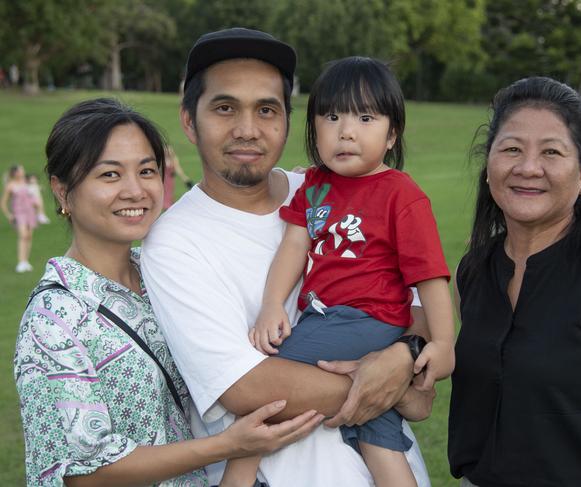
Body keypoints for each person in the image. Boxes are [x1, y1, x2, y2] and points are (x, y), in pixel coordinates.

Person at [142, 28, 435, 487]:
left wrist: (404, 354)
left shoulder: (329, 191)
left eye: (266, 110)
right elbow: (247, 387)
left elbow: (419, 315)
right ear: (188, 120)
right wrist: (388, 383)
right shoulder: (174, 242)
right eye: (224, 108)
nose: (247, 129)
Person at [14, 98, 323, 487]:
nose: (135, 190)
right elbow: (81, 473)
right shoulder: (53, 317)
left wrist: (305, 192)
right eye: (110, 175)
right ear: (62, 192)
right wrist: (227, 445)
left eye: (146, 171)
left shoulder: (169, 271)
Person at [233, 56, 454, 487]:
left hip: (365, 319)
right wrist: (272, 305)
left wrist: (444, 342)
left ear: (392, 134)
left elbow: (430, 278)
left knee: (265, 388)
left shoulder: (401, 195)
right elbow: (293, 247)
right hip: (328, 318)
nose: (346, 131)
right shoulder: (314, 185)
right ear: (314, 127)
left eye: (365, 117)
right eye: (332, 116)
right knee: (376, 429)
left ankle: (235, 479)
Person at [448, 76, 581, 486]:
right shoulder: (473, 270)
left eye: (552, 152)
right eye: (512, 149)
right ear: (489, 166)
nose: (527, 168)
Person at [1, 164, 38, 272]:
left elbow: (32, 195)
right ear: (16, 173)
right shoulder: (11, 185)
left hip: (30, 212)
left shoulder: (26, 182)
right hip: (19, 213)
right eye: (21, 170)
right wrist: (9, 214)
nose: (22, 171)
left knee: (29, 236)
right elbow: (3, 202)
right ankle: (21, 261)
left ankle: (26, 261)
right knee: (23, 235)